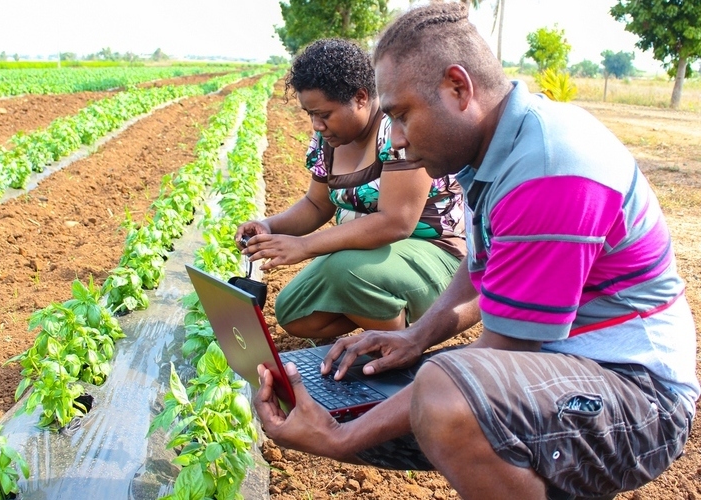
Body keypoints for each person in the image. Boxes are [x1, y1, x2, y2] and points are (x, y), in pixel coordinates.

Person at [253, 4, 699, 500]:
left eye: (401, 115)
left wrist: (339, 439)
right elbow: (479, 263)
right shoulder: (488, 151)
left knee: (443, 396)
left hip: (639, 398)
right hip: (562, 368)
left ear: (458, 88)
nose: (394, 139)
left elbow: (507, 350)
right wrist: (416, 338)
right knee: (343, 384)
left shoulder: (550, 170)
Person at [236, 38, 465, 339]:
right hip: (370, 261)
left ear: (360, 98)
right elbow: (317, 205)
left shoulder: (396, 130)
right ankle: (378, 312)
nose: (317, 125)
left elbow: (396, 222)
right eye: (311, 114)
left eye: (325, 114)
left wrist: (305, 246)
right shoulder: (326, 141)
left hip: (436, 255)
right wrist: (268, 225)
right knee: (294, 310)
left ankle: (401, 345)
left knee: (342, 269)